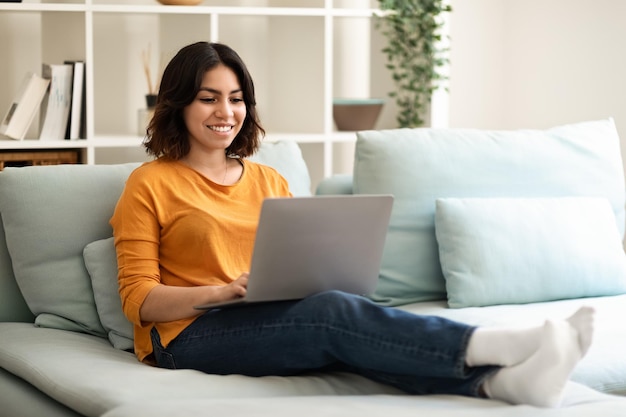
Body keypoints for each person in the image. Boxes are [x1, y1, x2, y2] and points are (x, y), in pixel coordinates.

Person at [110, 41, 595, 408]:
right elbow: (138, 301)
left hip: (267, 317)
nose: (226, 112)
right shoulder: (149, 184)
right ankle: (501, 344)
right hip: (186, 337)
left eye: (236, 99)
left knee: (352, 329)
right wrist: (220, 292)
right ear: (179, 105)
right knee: (333, 316)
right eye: (208, 98)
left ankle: (496, 383)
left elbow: (298, 260)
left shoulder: (269, 179)